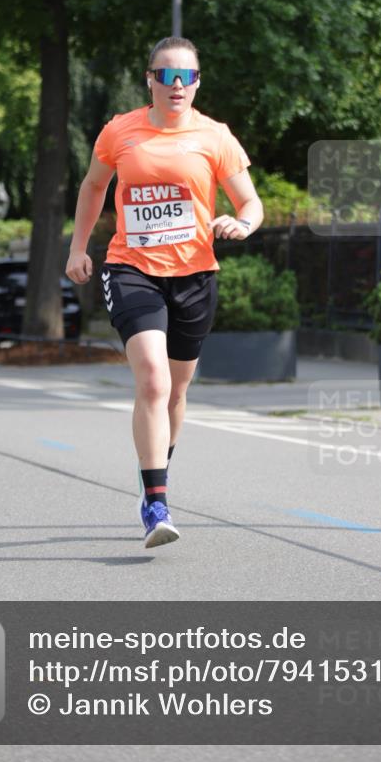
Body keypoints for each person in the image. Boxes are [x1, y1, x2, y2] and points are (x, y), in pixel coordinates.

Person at [65, 36, 263, 548]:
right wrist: (78, 248)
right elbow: (93, 187)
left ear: (198, 83)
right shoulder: (120, 131)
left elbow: (251, 203)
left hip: (195, 274)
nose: (177, 86)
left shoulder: (215, 136)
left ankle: (154, 467)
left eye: (187, 77)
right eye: (166, 75)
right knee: (152, 381)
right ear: (149, 79)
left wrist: (241, 222)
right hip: (132, 268)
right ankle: (156, 503)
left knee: (176, 391)